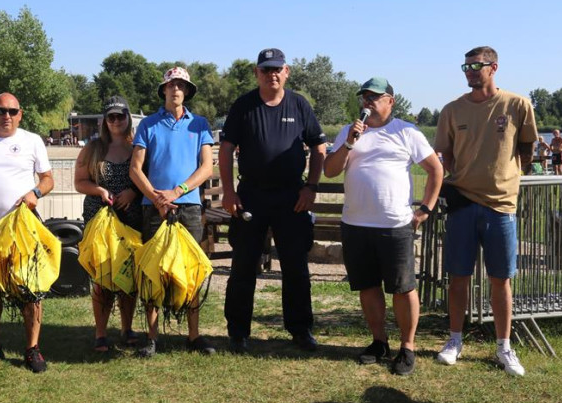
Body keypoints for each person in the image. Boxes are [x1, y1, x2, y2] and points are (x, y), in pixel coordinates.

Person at [324, 78, 443, 375]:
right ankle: (379, 342)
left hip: (395, 224)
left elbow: (435, 170)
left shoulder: (406, 131)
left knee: (402, 288)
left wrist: (425, 209)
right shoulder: (348, 132)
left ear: (390, 101)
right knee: (367, 286)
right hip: (355, 223)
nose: (368, 102)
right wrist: (350, 141)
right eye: (365, 97)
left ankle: (407, 347)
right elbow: (329, 171)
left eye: (375, 97)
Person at [434, 46, 537, 376]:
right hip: (463, 202)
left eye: (477, 66)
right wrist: (450, 176)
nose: (470, 71)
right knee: (458, 277)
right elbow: (444, 153)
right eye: (466, 66)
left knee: (500, 280)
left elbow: (527, 147)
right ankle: (454, 341)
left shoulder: (517, 104)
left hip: (501, 205)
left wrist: (509, 175)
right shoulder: (452, 110)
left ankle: (504, 347)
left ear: (493, 67)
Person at [220, 48, 326, 353]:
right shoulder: (244, 106)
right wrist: (229, 191)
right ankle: (238, 332)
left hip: (292, 197)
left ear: (287, 71)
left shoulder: (299, 104)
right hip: (251, 196)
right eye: (266, 70)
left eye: (277, 69)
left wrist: (311, 187)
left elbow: (319, 148)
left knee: (295, 267)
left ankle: (300, 330)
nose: (272, 74)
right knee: (243, 266)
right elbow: (226, 149)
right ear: (257, 73)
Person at [129, 67, 217, 358]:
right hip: (153, 208)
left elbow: (206, 167)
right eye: (171, 85)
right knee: (153, 271)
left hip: (188, 206)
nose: (176, 89)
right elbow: (135, 169)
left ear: (187, 91)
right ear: (164, 90)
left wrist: (177, 191)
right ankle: (151, 337)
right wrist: (156, 197)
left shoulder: (200, 124)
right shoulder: (148, 125)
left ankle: (193, 335)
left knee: (189, 269)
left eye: (181, 85)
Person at [0, 93, 55, 373]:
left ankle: (32, 348)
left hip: (22, 232)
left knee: (31, 289)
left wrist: (35, 192)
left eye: (11, 111)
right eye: (0, 111)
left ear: (20, 114)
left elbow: (48, 179)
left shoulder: (32, 141)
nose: (6, 116)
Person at [73, 96, 142, 352]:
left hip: (130, 218)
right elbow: (79, 182)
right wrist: (99, 190)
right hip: (99, 219)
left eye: (120, 116)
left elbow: (147, 178)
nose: (116, 121)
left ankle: (126, 327)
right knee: (102, 277)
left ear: (128, 117)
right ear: (105, 120)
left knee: (128, 276)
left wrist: (133, 192)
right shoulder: (92, 149)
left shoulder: (138, 146)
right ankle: (100, 333)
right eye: (111, 117)